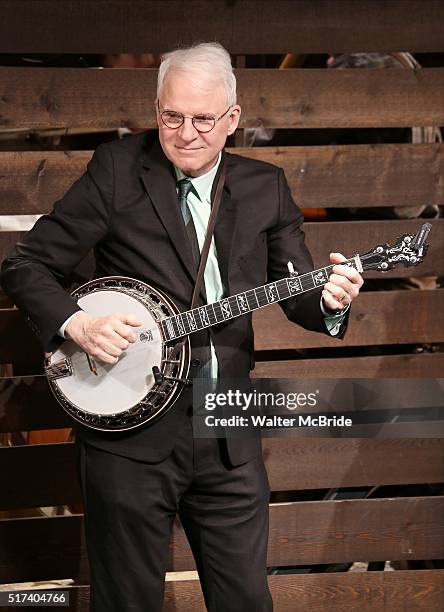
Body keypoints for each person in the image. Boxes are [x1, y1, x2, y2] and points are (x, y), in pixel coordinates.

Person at [0, 42, 363, 612]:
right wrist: (76, 324)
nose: (187, 132)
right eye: (172, 117)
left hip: (229, 435)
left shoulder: (264, 187)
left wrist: (333, 301)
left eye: (203, 119)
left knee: (246, 601)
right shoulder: (118, 170)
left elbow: (303, 298)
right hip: (130, 436)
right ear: (157, 109)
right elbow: (25, 264)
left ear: (232, 120)